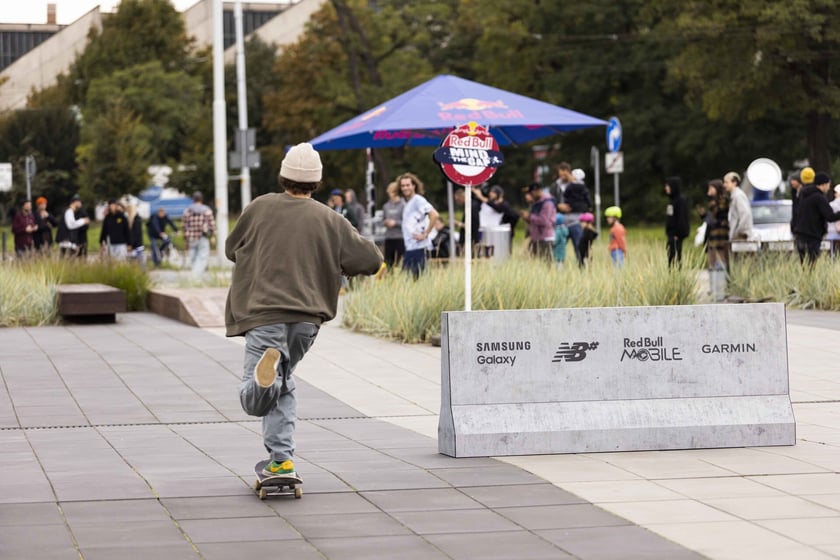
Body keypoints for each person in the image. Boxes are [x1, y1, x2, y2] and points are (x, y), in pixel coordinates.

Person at [224, 142, 382, 479]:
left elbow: (230, 249)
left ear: (282, 176)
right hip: (307, 320)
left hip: (265, 313)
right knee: (285, 380)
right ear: (317, 181)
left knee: (255, 398)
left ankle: (264, 382)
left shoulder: (259, 207)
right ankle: (281, 460)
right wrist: (341, 262)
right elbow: (371, 260)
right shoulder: (331, 219)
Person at [792, 172, 840, 265]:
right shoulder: (819, 198)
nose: (829, 187)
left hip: (800, 233)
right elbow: (830, 216)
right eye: (828, 184)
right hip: (812, 235)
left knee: (803, 263)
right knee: (812, 263)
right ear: (824, 184)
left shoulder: (803, 194)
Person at [399, 172, 439, 277]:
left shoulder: (418, 200)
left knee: (413, 279)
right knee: (410, 279)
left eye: (408, 185)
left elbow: (434, 215)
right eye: (403, 186)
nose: (405, 188)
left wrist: (426, 234)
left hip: (419, 247)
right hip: (411, 247)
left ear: (414, 186)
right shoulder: (409, 202)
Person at [554, 162, 592, 263]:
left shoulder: (576, 185)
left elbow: (586, 200)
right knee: (559, 244)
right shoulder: (555, 186)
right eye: (560, 175)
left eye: (565, 174)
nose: (562, 177)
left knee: (579, 244)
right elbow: (551, 200)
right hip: (562, 219)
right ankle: (558, 266)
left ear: (570, 173)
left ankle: (582, 264)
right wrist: (558, 205)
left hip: (576, 218)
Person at [520, 182, 556, 262]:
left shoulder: (547, 203)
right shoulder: (537, 203)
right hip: (536, 238)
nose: (530, 195)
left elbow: (544, 221)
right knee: (531, 264)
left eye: (531, 193)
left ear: (537, 191)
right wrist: (527, 218)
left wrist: (529, 217)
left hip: (545, 239)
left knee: (547, 265)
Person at [182, 191, 216, 275]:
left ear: (193, 199)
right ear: (201, 199)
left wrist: (186, 240)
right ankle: (196, 276)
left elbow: (184, 226)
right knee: (202, 257)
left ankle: (195, 276)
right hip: (202, 237)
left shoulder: (187, 211)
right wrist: (212, 236)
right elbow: (211, 224)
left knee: (193, 257)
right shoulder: (206, 210)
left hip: (191, 238)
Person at [664, 176, 690, 267]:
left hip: (676, 234)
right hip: (671, 233)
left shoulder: (680, 200)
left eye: (668, 186)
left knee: (676, 256)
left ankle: (676, 275)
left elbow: (681, 218)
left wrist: (678, 233)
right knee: (670, 255)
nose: (666, 188)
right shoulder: (671, 200)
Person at [723, 171, 753, 246]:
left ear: (734, 182)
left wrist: (739, 231)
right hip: (737, 235)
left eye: (726, 182)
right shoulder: (735, 195)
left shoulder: (738, 196)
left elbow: (746, 214)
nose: (724, 185)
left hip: (741, 236)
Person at [382, 181, 405, 267]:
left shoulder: (403, 205)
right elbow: (383, 219)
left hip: (400, 238)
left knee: (400, 263)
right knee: (388, 263)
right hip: (389, 237)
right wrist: (386, 222)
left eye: (392, 192)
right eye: (389, 192)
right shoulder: (386, 206)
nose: (390, 194)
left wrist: (396, 223)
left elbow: (406, 222)